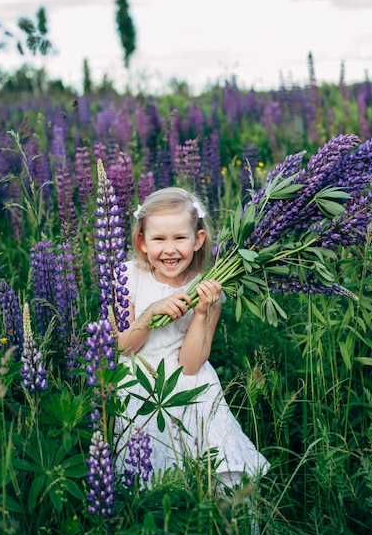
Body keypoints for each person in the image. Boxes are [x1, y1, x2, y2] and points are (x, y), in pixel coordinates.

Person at [115, 187, 269, 491]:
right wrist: (149, 315)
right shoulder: (127, 275)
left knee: (217, 474)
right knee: (151, 481)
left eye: (179, 238)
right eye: (159, 239)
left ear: (198, 240)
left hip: (192, 388)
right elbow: (121, 346)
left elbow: (190, 365)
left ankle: (223, 527)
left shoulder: (210, 288)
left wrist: (201, 313)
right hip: (138, 386)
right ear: (142, 242)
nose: (169, 249)